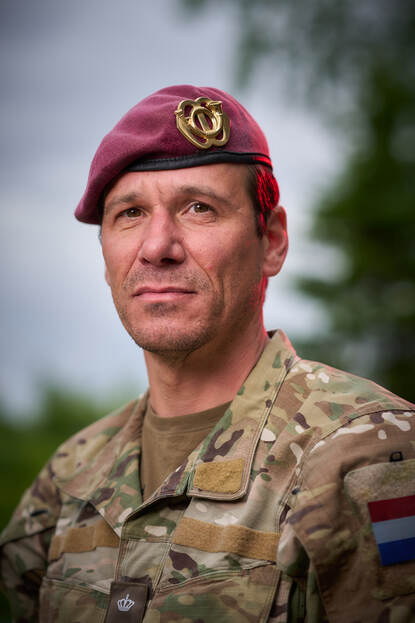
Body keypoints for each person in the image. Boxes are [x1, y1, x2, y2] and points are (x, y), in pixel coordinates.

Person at [1, 85, 414, 623]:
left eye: (199, 208)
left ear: (271, 240)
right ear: (105, 257)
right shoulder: (69, 478)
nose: (157, 247)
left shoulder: (370, 456)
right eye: (130, 213)